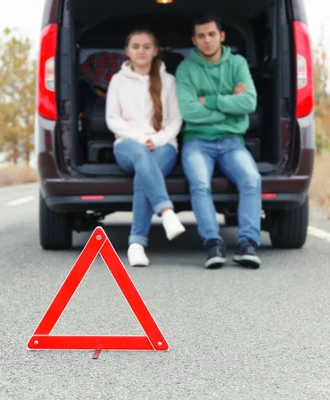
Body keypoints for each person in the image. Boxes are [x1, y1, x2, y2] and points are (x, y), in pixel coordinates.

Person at [175, 13, 262, 269]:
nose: (207, 40)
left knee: (252, 179)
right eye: (201, 36)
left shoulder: (237, 64)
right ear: (194, 40)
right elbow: (189, 111)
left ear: (221, 36)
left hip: (232, 141)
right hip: (197, 142)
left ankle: (247, 243)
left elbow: (249, 102)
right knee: (200, 184)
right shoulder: (186, 69)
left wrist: (210, 101)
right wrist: (229, 103)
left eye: (212, 34)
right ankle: (214, 244)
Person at [105, 28, 186, 267]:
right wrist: (141, 138)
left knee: (144, 175)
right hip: (128, 145)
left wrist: (158, 140)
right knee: (141, 156)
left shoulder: (168, 81)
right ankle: (166, 212)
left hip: (164, 146)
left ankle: (136, 244)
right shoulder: (118, 81)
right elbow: (113, 119)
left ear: (155, 50)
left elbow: (175, 120)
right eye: (136, 46)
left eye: (147, 46)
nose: (141, 51)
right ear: (127, 51)